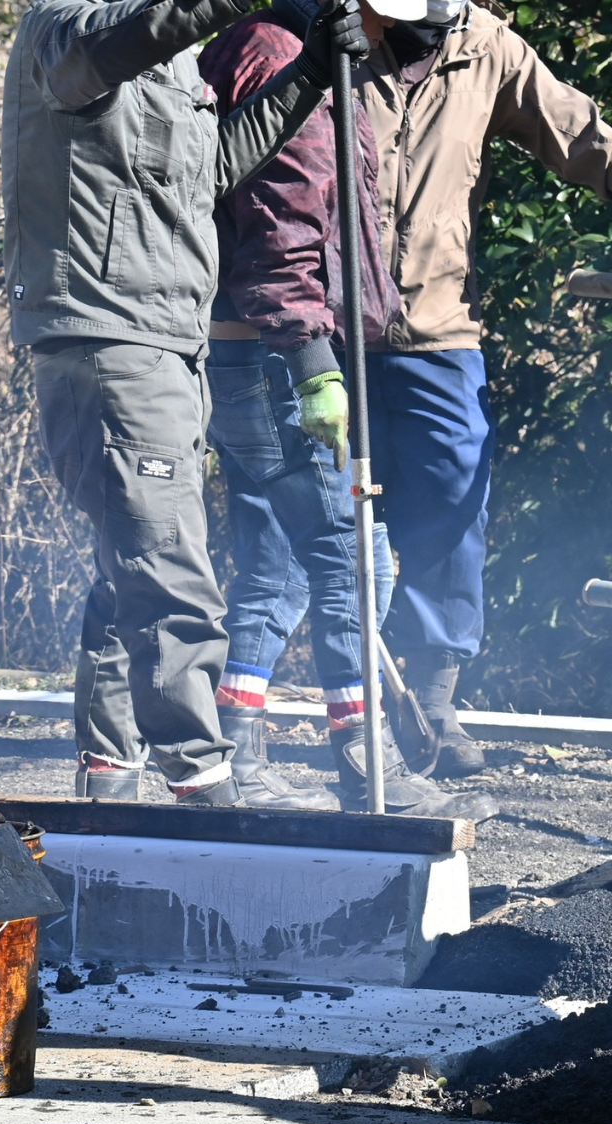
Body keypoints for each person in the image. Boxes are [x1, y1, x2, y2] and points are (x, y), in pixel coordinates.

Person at [349, 0, 612, 777]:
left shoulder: (486, 46)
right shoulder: (326, 33)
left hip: (436, 329)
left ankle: (429, 702)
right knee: (324, 529)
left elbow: (582, 134)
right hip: (325, 332)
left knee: (454, 514)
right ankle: (332, 715)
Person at [3, 0, 368, 806]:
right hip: (113, 337)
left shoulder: (174, 63)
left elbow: (210, 171)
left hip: (165, 338)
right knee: (171, 572)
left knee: (132, 561)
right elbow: (112, 44)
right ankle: (203, 784)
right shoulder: (67, 27)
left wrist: (307, 76)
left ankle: (111, 784)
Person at [197, 0, 486, 815]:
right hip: (270, 350)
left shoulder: (303, 51)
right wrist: (312, 362)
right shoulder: (284, 57)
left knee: (285, 561)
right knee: (357, 556)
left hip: (264, 344)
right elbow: (283, 222)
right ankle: (369, 769)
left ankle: (240, 745)